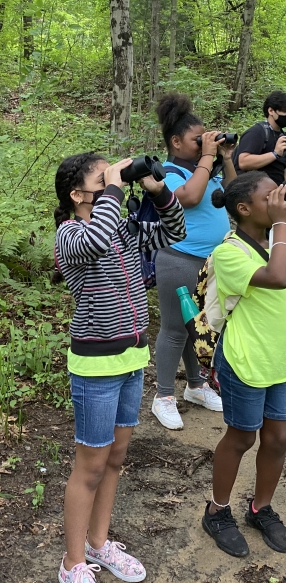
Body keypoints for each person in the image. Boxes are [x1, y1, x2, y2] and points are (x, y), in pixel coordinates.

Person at [54, 151, 186, 583]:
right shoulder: (70, 234)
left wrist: (158, 189)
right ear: (77, 194)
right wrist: (114, 185)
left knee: (115, 458)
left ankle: (99, 542)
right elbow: (94, 240)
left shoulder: (122, 228)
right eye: (102, 178)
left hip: (132, 356)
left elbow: (174, 232)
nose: (115, 181)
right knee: (89, 466)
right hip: (95, 366)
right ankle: (72, 563)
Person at [202, 172, 286, 557]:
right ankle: (217, 511)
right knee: (242, 438)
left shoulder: (279, 240)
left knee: (278, 439)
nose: (279, 199)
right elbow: (277, 277)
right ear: (244, 208)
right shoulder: (229, 251)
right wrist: (282, 221)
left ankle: (261, 508)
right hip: (246, 360)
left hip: (281, 361)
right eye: (271, 195)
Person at [151, 93, 237, 430]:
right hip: (179, 258)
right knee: (174, 329)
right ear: (175, 142)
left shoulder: (207, 168)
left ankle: (196, 387)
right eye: (196, 140)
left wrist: (225, 159)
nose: (204, 144)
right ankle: (163, 396)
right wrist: (207, 157)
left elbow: (235, 195)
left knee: (197, 326)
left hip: (209, 262)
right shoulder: (167, 171)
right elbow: (188, 197)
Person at [234, 90, 286, 185]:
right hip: (255, 194)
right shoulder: (257, 132)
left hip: (276, 194)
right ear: (271, 111)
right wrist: (275, 154)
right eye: (285, 111)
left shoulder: (282, 135)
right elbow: (243, 162)